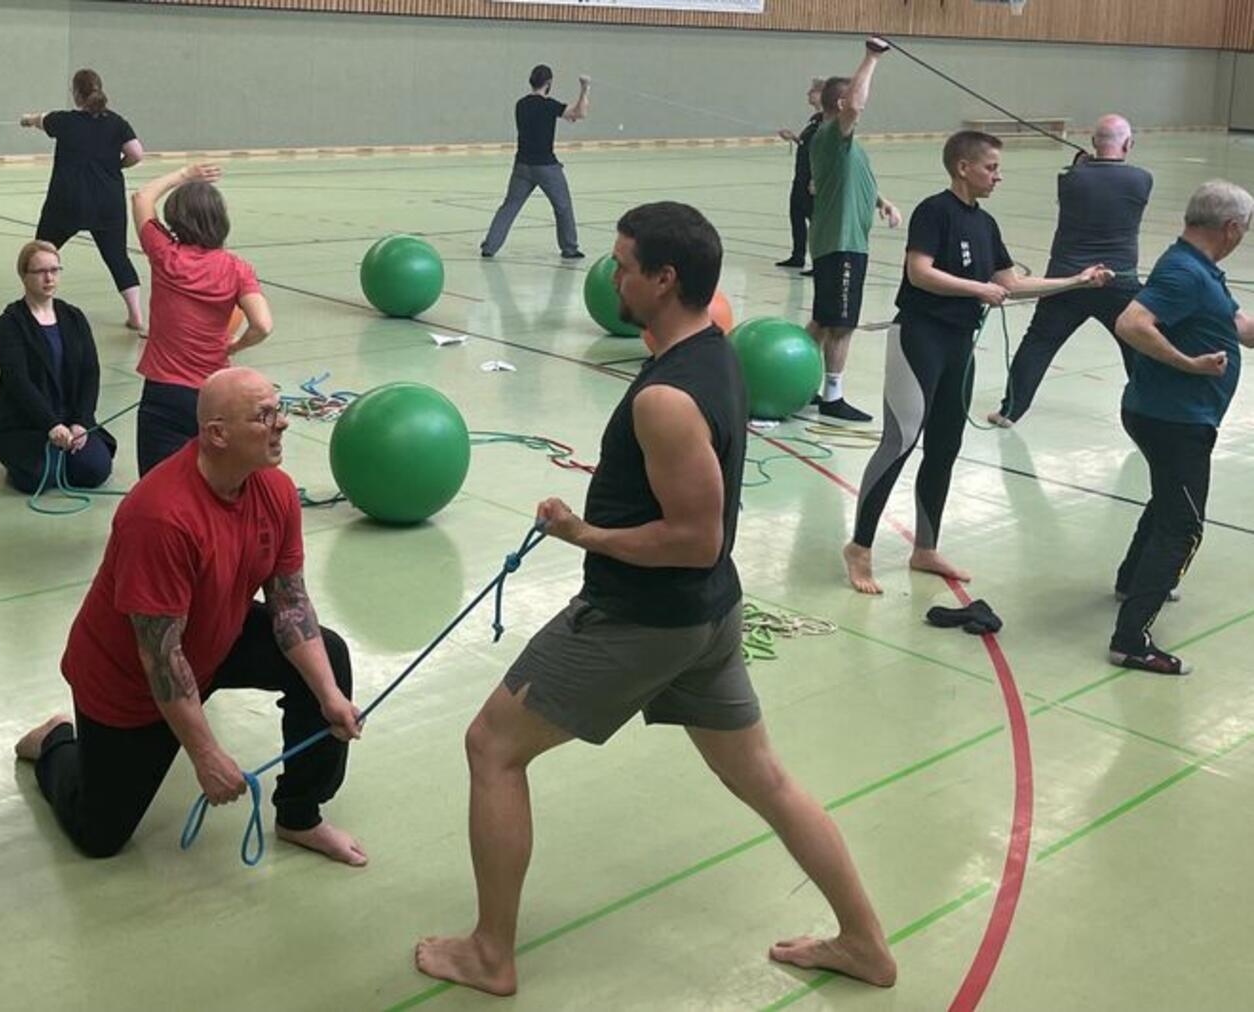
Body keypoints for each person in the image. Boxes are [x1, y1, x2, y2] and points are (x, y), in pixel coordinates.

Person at [415, 202, 896, 996]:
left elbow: (695, 538)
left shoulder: (666, 398)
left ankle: (490, 955)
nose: (615, 275)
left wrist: (585, 534)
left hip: (644, 622)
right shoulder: (713, 350)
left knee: (491, 748)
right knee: (766, 780)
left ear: (664, 278)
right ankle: (866, 944)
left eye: (626, 265)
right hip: (704, 622)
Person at [14, 367, 366, 864]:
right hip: (129, 678)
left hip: (216, 637)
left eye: (279, 409)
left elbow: (290, 604)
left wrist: (329, 697)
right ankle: (54, 741)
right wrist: (205, 754)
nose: (282, 424)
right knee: (99, 835)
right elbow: (160, 656)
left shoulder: (276, 490)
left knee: (328, 656)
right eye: (264, 416)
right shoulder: (160, 516)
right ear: (217, 434)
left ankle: (300, 814)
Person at [843, 132, 1114, 595]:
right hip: (919, 338)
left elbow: (1010, 282)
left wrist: (1076, 282)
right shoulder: (934, 211)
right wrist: (978, 290)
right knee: (901, 439)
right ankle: (860, 547)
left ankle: (925, 547)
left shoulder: (985, 226)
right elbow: (919, 272)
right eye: (991, 167)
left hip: (958, 344)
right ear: (963, 167)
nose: (998, 175)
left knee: (946, 444)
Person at [1107, 180, 1253, 674]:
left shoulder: (1201, 269)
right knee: (1185, 525)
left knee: (1169, 498)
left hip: (1167, 415)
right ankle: (1131, 640)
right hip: (1174, 420)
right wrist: (1188, 364)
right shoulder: (1185, 273)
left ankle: (1132, 578)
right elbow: (1130, 323)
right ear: (1231, 228)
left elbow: (1239, 327)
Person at [988, 115, 1153, 427]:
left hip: (1066, 281)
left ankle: (1010, 411)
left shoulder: (1070, 179)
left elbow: (1081, 179)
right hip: (1119, 282)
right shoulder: (1142, 179)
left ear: (1093, 143)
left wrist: (1081, 165)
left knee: (1039, 342)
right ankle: (1148, 411)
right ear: (1129, 144)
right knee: (1140, 345)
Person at [130, 162, 272, 477]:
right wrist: (234, 347)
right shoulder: (237, 268)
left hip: (163, 392)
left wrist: (185, 175)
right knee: (213, 483)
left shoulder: (165, 254)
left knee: (158, 484)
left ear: (176, 218)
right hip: (214, 395)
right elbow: (262, 325)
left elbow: (141, 197)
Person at [807, 39, 903, 422]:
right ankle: (832, 397)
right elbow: (856, 104)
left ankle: (797, 380)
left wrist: (882, 201)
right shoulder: (831, 135)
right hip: (842, 244)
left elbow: (852, 180)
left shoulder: (846, 146)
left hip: (844, 241)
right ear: (840, 105)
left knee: (822, 320)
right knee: (841, 326)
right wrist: (872, 57)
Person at [20, 70, 146, 333]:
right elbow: (136, 153)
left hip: (67, 200)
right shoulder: (117, 122)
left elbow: (39, 119)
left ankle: (33, 305)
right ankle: (136, 315)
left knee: (40, 251)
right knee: (117, 257)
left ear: (76, 94)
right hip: (107, 202)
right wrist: (116, 166)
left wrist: (26, 119)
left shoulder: (63, 121)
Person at [0, 240, 116, 493]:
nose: (49, 278)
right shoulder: (9, 324)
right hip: (27, 424)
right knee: (40, 477)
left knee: (95, 470)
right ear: (24, 276)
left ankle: (71, 448)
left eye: (55, 270)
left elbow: (90, 373)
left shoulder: (74, 317)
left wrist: (81, 421)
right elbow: (18, 382)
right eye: (40, 272)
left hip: (71, 421)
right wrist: (51, 424)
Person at [480, 65, 590, 260]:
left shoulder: (520, 105)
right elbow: (580, 113)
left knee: (509, 207)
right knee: (563, 207)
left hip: (522, 165)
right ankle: (569, 248)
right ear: (548, 83)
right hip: (546, 166)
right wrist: (584, 88)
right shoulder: (549, 106)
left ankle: (490, 246)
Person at [775, 78, 825, 272]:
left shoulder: (826, 121)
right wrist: (795, 138)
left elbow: (822, 152)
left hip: (812, 180)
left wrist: (816, 178)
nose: (808, 94)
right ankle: (798, 256)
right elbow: (809, 146)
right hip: (800, 177)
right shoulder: (814, 120)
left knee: (815, 222)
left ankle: (820, 262)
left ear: (822, 95)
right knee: (796, 216)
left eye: (812, 91)